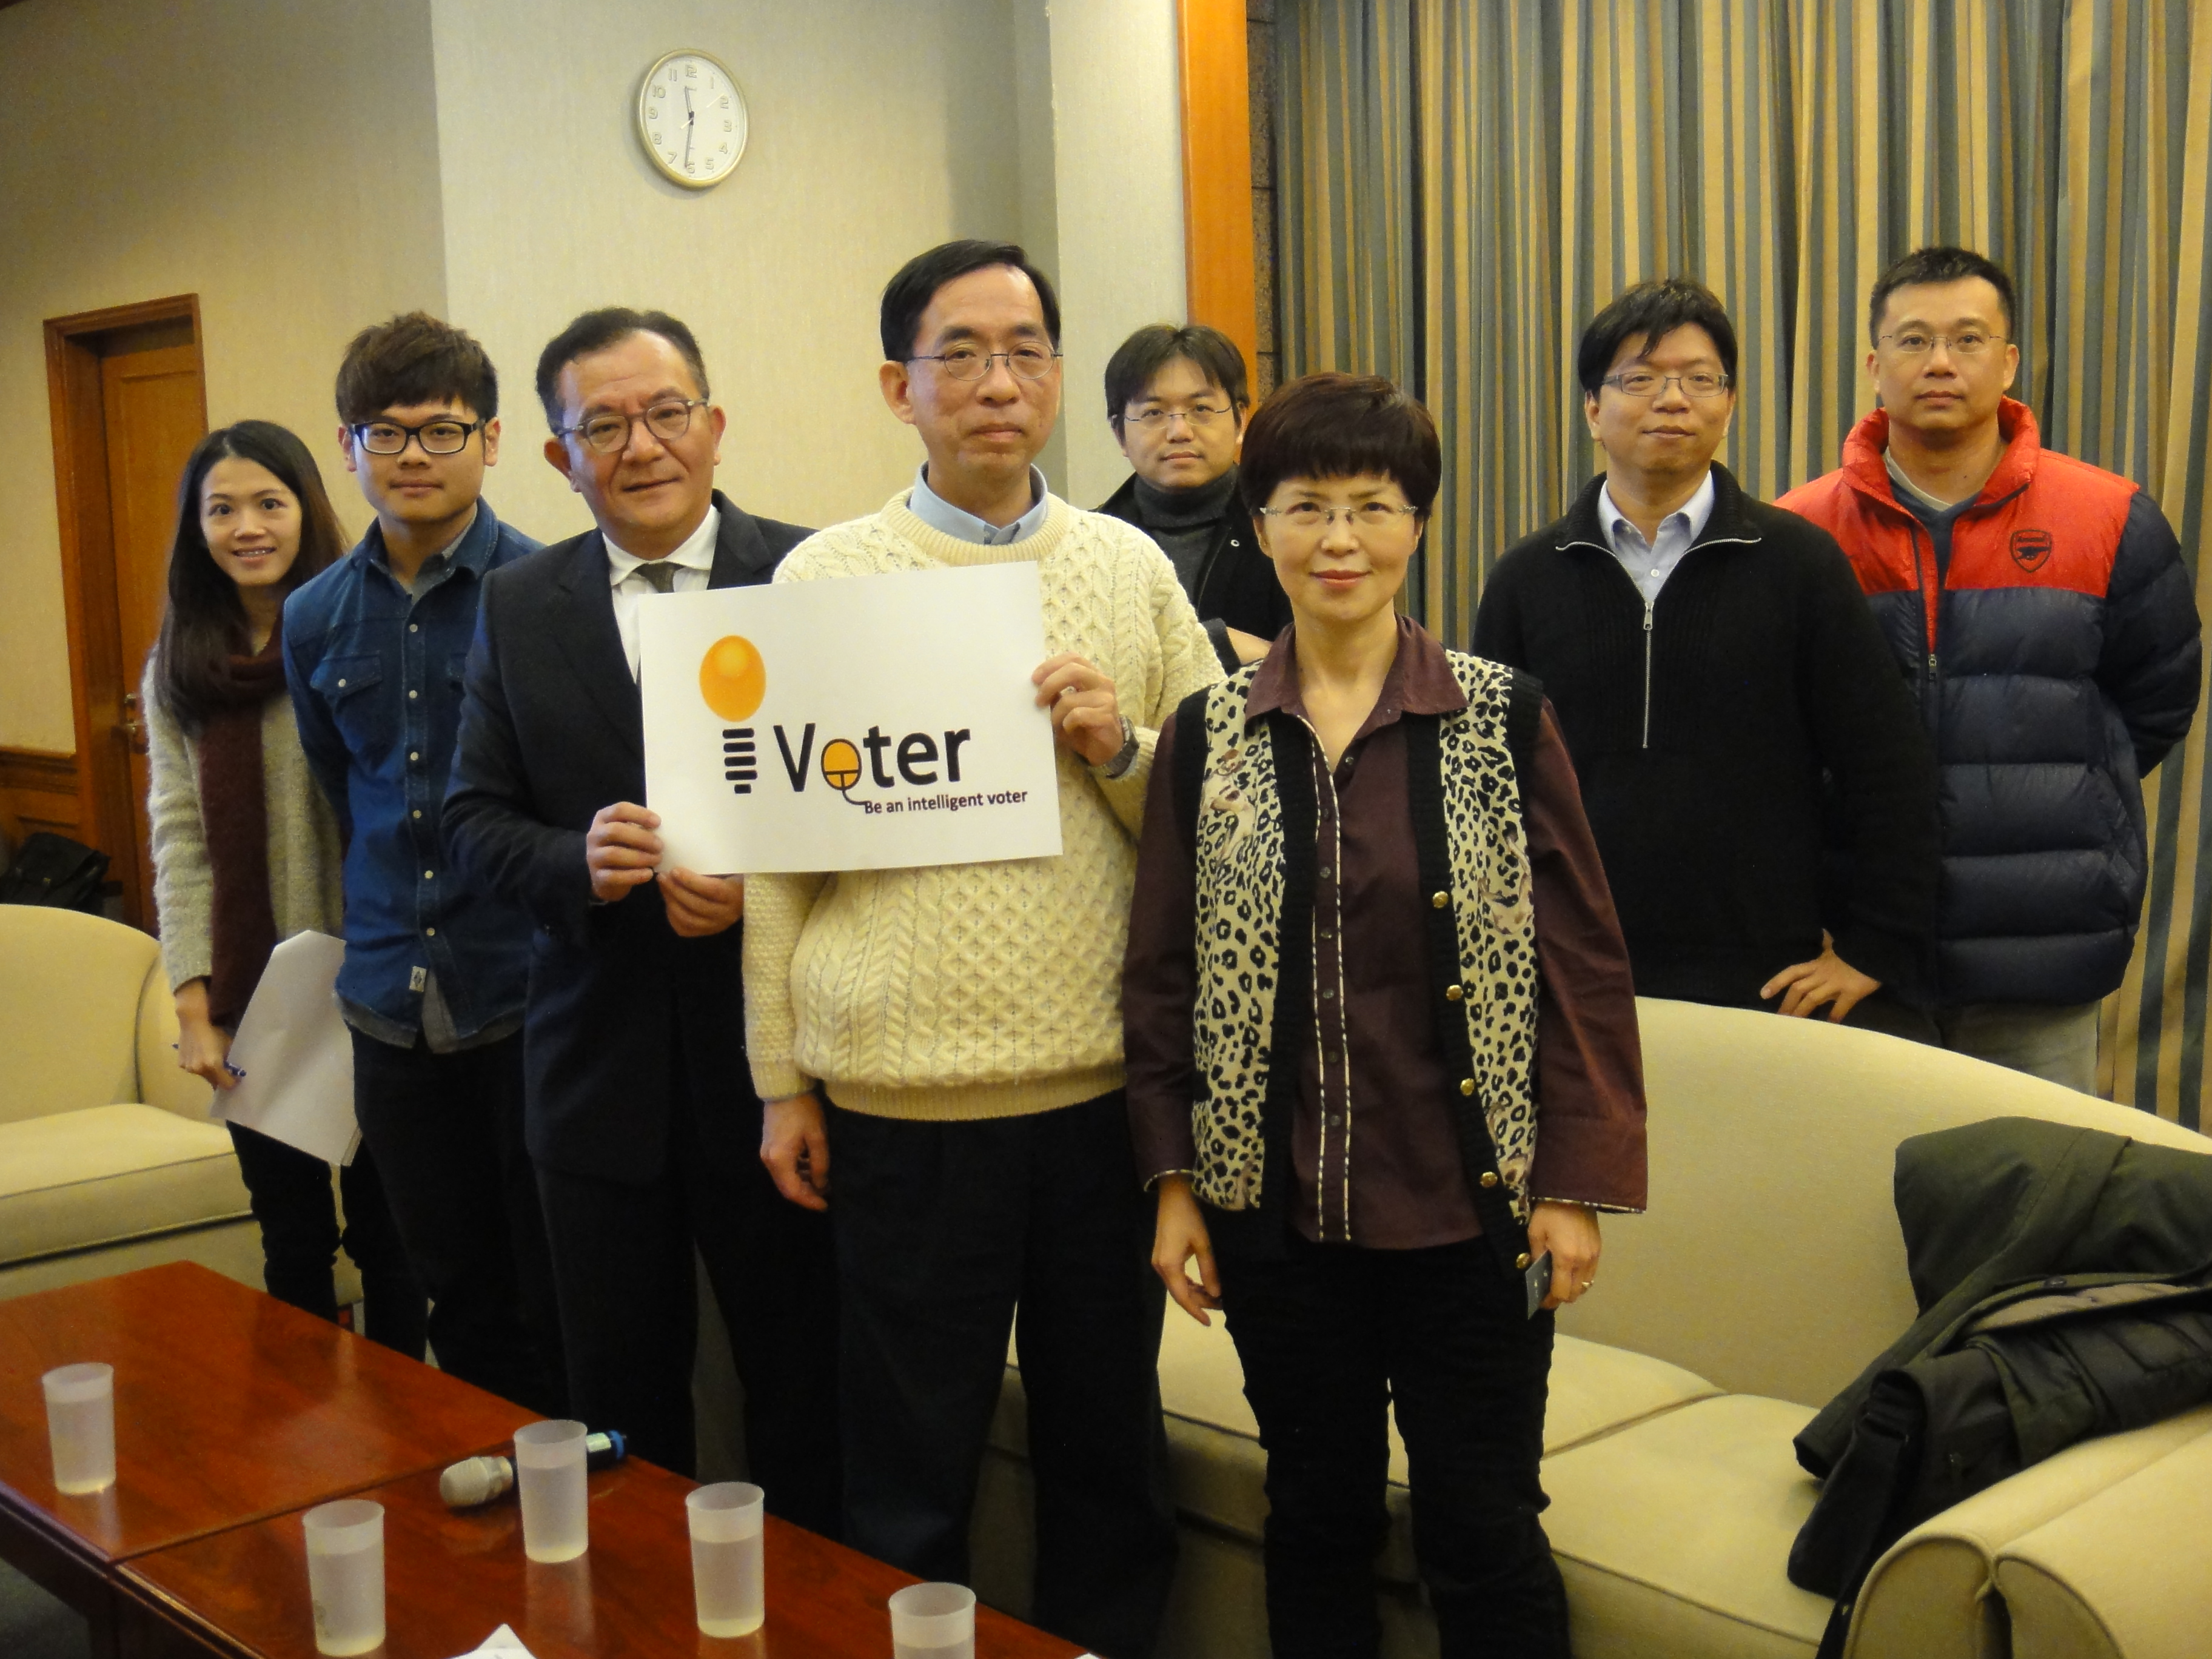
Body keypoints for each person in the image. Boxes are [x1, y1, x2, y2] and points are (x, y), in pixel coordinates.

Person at [1125, 371, 1647, 1659]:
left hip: (1470, 1215)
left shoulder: (1500, 716)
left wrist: (1573, 1180)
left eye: (1373, 505)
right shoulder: (1207, 735)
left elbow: (1582, 960)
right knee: (1314, 1516)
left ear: (1418, 523)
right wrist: (1172, 1180)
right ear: (1259, 525)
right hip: (1279, 1222)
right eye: (1306, 506)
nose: (1340, 539)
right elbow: (1161, 970)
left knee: (1483, 1527)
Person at [745, 241, 1218, 1658]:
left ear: (1058, 378)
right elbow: (779, 854)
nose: (998, 381)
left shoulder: (1128, 567)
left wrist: (1119, 746)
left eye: (1025, 351)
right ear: (900, 386)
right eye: (960, 353)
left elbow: (1226, 810)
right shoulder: (827, 576)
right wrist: (781, 1081)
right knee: (907, 1466)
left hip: (1099, 1102)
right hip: (901, 1104)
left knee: (1107, 1452)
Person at [442, 307, 840, 1526]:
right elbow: (470, 821)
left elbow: (874, 804)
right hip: (594, 1075)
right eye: (603, 425)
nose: (643, 445)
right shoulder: (518, 604)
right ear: (558, 457)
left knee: (807, 1393)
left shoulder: (815, 576)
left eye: (667, 414)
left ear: (714, 426)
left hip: (782, 1077)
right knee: (618, 1407)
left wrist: (764, 886)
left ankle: (806, 1613)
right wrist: (577, 860)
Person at [1780, 247, 2202, 1090]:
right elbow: (1772, 738)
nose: (1940, 362)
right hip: (1859, 957)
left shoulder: (2109, 517)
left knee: (2038, 1172)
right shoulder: (1800, 533)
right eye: (1913, 340)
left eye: (1967, 339)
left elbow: (2155, 701)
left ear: (2007, 363)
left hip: (2043, 950)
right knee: (1866, 1175)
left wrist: (2059, 786)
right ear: (1874, 366)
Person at [1473, 277, 1939, 1021]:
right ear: (1592, 408)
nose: (1672, 400)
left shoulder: (1800, 564)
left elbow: (1886, 767)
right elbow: (1486, 786)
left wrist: (1874, 946)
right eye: (1640, 380)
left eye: (1699, 379)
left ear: (1729, 403)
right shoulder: (1526, 579)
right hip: (1570, 975)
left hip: (1766, 978)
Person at [283, 312, 563, 1413]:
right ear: (347, 445)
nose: (412, 455)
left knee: (553, 1284)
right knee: (454, 1288)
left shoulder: (544, 591)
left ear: (490, 440)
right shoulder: (313, 616)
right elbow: (341, 784)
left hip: (525, 992)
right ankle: (493, 1476)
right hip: (388, 1007)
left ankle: (583, 1491)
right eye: (385, 432)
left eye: (442, 430)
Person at [146, 421, 425, 1352]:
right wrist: (195, 1008)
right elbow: (180, 842)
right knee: (293, 1242)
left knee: (393, 1243)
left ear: (307, 509)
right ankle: (304, 1431)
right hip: (254, 1000)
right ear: (197, 529)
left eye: (270, 503)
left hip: (380, 988)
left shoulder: (357, 634)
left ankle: (398, 1423)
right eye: (222, 509)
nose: (248, 528)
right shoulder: (179, 668)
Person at [1095, 322, 1290, 669]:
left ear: (1240, 421)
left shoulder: (1286, 528)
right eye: (1154, 413)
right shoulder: (1092, 543)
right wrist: (1214, 642)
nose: (1179, 431)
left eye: (1201, 409)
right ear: (1119, 433)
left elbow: (1331, 666)